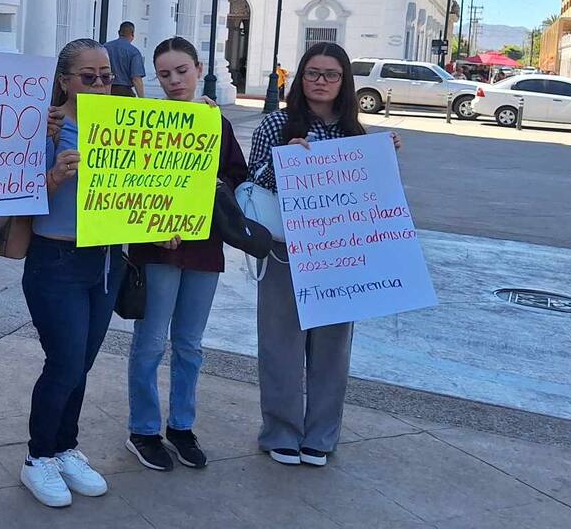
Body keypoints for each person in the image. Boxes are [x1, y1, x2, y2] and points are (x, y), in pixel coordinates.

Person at [247, 41, 399, 469]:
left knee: (333, 347)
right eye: (313, 73)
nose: (321, 81)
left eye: (331, 75)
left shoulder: (354, 132)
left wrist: (384, 159)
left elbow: (369, 190)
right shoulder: (276, 124)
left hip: (340, 253)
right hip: (285, 252)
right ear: (300, 77)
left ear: (344, 82)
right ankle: (280, 431)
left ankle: (321, 434)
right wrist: (285, 162)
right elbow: (254, 179)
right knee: (281, 345)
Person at [124, 37, 247, 471]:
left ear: (198, 69)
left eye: (181, 71)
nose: (174, 80)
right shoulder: (143, 122)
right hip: (156, 249)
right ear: (156, 78)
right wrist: (149, 228)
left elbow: (237, 177)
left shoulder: (217, 124)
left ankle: (180, 426)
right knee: (151, 342)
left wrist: (214, 189)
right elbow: (125, 183)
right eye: (164, 74)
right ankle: (142, 429)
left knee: (190, 345)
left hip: (203, 248)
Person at [19, 38, 123, 510]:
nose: (101, 83)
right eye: (89, 75)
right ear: (64, 80)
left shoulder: (126, 123)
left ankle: (65, 447)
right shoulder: (45, 126)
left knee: (81, 362)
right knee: (63, 362)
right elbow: (12, 193)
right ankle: (38, 455)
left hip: (106, 261)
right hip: (55, 259)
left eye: (106, 75)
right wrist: (55, 174)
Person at [103, 21, 145, 98]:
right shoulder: (134, 52)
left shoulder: (104, 48)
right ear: (132, 34)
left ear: (119, 32)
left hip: (106, 90)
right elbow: (136, 78)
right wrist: (142, 99)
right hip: (125, 92)